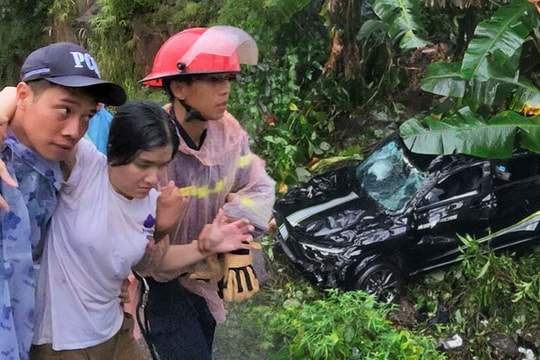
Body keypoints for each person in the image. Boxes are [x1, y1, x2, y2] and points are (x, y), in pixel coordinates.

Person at [13, 100, 254, 359]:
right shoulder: (85, 169)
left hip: (115, 332)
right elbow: (35, 108)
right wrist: (7, 100)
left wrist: (205, 245)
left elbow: (152, 263)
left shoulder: (152, 202)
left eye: (162, 166)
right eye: (143, 164)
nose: (153, 178)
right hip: (63, 343)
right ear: (116, 151)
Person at [139, 25, 276, 359]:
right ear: (179, 87)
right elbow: (136, 233)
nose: (225, 90)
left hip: (206, 276)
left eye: (228, 79)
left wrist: (232, 238)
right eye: (214, 79)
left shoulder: (228, 132)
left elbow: (257, 184)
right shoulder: (153, 141)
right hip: (162, 284)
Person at [0, 41, 126, 360]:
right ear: (25, 96)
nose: (75, 130)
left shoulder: (68, 158)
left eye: (86, 116)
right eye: (65, 110)